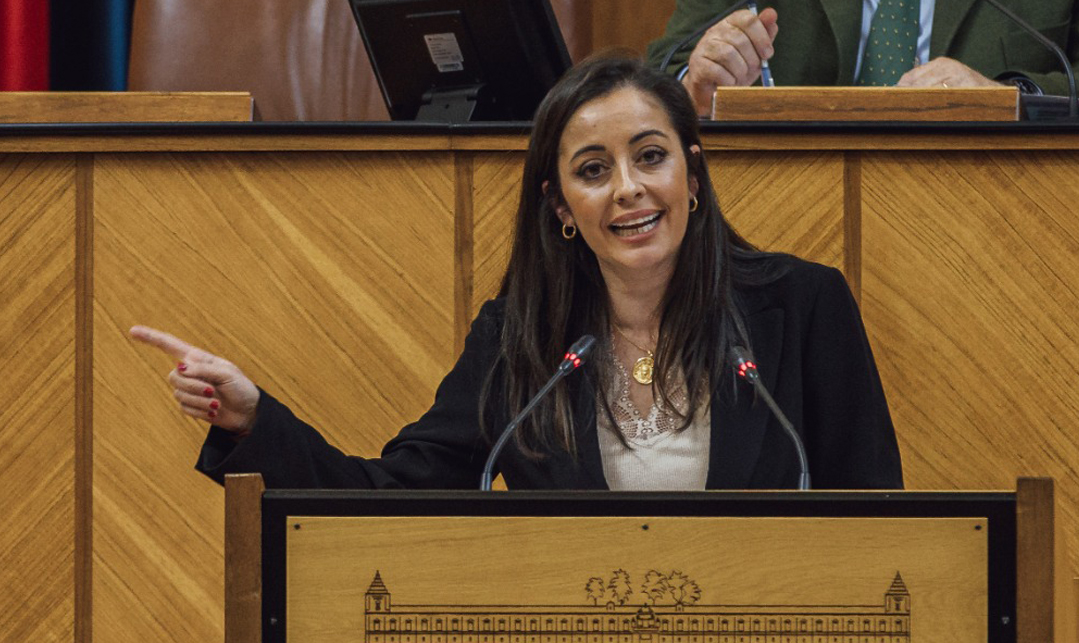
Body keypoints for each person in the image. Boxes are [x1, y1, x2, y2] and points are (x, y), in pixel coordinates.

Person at [130, 56, 903, 491]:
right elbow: (395, 496)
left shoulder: (801, 308)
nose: (629, 189)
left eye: (651, 156)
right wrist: (254, 418)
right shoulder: (524, 340)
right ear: (562, 205)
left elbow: (881, 517)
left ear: (692, 177)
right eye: (594, 170)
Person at [646, 0, 1079, 116]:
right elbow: (667, 68)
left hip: (1007, 217)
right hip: (784, 218)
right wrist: (699, 82)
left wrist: (1013, 100)